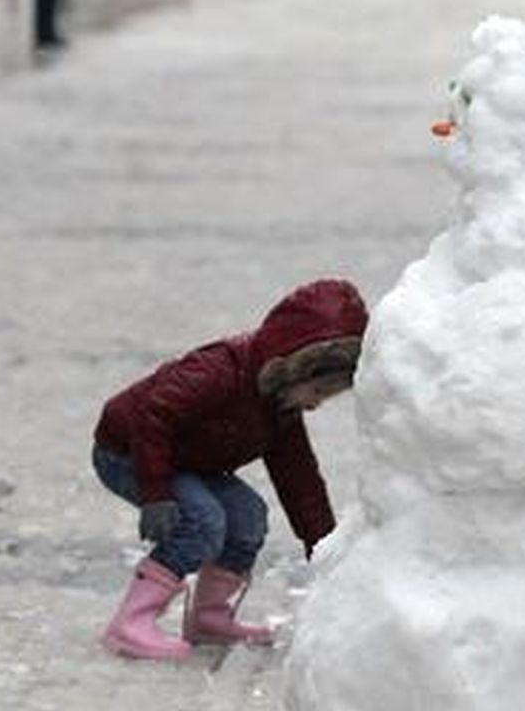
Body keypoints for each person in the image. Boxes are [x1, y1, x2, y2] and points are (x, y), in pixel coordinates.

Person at [91, 278, 369, 661]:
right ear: (292, 368)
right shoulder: (217, 371)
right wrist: (155, 492)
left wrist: (323, 550)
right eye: (318, 392)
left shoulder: (280, 409)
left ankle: (209, 619)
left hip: (188, 462)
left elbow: (299, 482)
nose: (317, 405)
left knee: (247, 516)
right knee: (203, 520)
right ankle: (129, 625)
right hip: (129, 452)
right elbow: (152, 416)